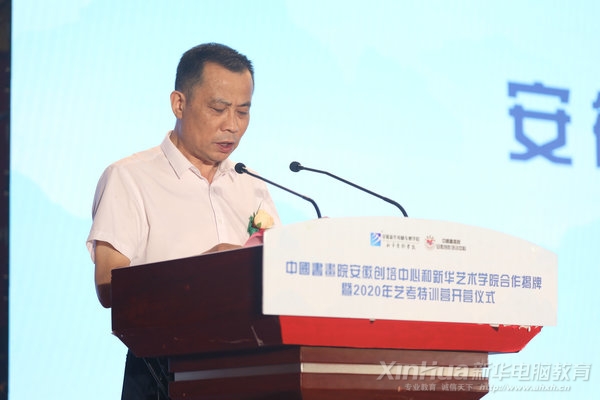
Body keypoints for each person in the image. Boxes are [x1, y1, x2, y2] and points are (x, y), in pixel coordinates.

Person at [86, 43, 280, 399]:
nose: (232, 125)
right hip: (163, 372)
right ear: (179, 104)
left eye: (243, 111)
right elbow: (109, 286)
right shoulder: (130, 178)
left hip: (250, 369)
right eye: (218, 109)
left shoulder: (251, 184)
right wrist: (200, 272)